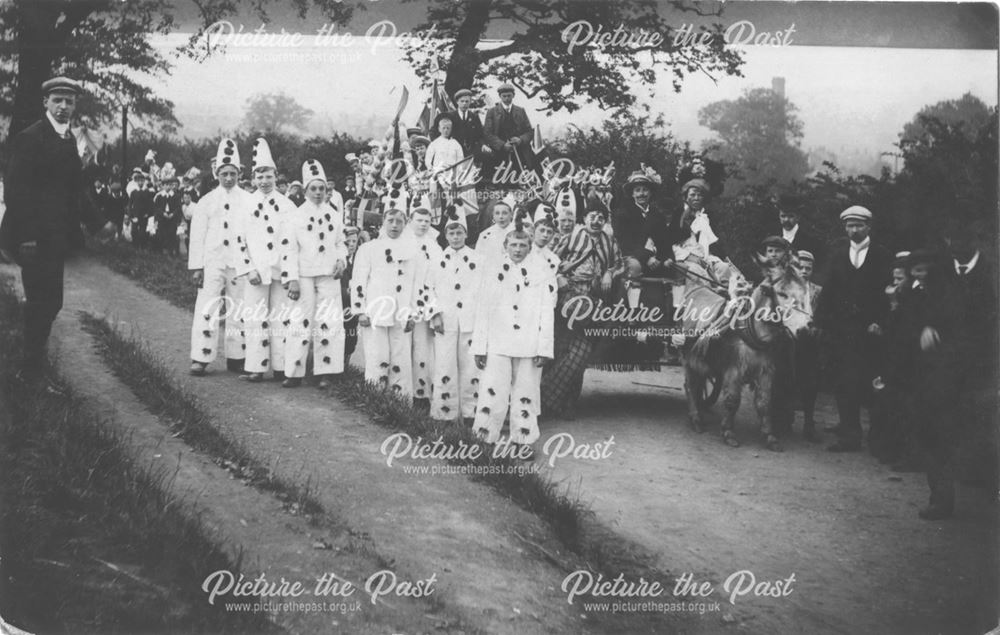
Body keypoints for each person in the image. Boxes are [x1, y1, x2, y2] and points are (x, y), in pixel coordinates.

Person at [0, 76, 115, 391]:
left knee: (50, 302)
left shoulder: (66, 139)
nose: (64, 107)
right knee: (42, 302)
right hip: (33, 240)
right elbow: (16, 193)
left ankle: (33, 365)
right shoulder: (31, 138)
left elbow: (75, 190)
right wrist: (25, 237)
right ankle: (31, 372)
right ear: (45, 103)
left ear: (75, 104)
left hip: (54, 239)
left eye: (69, 101)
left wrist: (99, 223)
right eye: (57, 100)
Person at [813, 205, 893, 452]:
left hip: (871, 331)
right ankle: (850, 435)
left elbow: (889, 293)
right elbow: (828, 290)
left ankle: (879, 438)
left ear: (868, 227)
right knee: (844, 382)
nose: (854, 230)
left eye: (858, 225)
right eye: (849, 225)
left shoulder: (881, 255)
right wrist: (820, 321)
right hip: (843, 330)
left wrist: (881, 321)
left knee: (873, 383)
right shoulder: (838, 254)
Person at [472, 220, 554, 458]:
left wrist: (544, 347)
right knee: (492, 390)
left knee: (526, 391)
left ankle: (523, 439)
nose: (517, 249)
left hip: (529, 343)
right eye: (513, 245)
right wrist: (480, 345)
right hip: (498, 342)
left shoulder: (541, 271)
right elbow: (483, 310)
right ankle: (485, 437)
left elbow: (546, 312)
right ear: (505, 246)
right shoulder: (492, 271)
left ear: (529, 247)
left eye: (522, 245)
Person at [187, 138, 254, 376]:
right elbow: (197, 236)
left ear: (240, 173)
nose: (228, 178)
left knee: (239, 308)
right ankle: (201, 356)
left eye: (232, 173)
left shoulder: (248, 200)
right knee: (207, 306)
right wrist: (197, 267)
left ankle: (237, 356)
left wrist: (251, 263)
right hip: (212, 262)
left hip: (239, 263)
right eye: (224, 173)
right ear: (216, 173)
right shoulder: (206, 201)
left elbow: (254, 233)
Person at [280, 160, 348, 389]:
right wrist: (292, 279)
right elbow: (288, 248)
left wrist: (341, 259)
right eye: (313, 189)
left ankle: (326, 371)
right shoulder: (295, 216)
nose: (318, 193)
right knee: (300, 321)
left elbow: (341, 242)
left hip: (329, 274)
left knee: (329, 320)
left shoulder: (335, 214)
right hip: (304, 275)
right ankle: (294, 371)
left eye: (322, 189)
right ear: (306, 190)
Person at [239, 138, 299, 383]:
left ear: (276, 177)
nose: (264, 182)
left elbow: (293, 242)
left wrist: (290, 274)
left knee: (281, 318)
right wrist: (248, 268)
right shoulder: (245, 203)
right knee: (254, 318)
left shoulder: (287, 205)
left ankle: (282, 366)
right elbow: (238, 240)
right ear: (253, 179)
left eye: (269, 177)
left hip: (280, 270)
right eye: (259, 177)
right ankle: (255, 366)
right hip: (256, 271)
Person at [351, 206, 426, 396]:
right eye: (390, 221)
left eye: (399, 221)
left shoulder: (413, 251)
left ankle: (400, 399)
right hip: (376, 309)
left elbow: (418, 284)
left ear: (405, 224)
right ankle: (375, 396)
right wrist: (360, 310)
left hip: (402, 311)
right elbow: (359, 279)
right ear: (383, 222)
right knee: (377, 354)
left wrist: (413, 313)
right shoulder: (368, 248)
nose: (394, 225)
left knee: (401, 357)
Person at [428, 208, 482, 422]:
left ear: (466, 234)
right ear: (446, 235)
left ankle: (471, 412)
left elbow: (485, 291)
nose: (456, 237)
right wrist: (435, 314)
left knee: (471, 368)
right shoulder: (437, 260)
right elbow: (427, 289)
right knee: (444, 364)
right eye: (451, 233)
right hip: (446, 321)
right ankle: (444, 413)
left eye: (459, 233)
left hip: (471, 322)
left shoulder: (479, 260)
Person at [406, 207, 443, 403]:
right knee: (401, 349)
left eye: (426, 221)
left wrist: (434, 310)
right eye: (419, 220)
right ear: (410, 220)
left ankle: (420, 394)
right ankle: (399, 393)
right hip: (403, 303)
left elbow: (437, 280)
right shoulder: (401, 243)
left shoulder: (434, 247)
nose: (423, 224)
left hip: (423, 303)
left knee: (422, 350)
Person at [482, 84, 533, 187]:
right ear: (500, 97)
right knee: (497, 181)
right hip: (498, 152)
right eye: (504, 96)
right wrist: (502, 145)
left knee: (520, 180)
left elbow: (529, 132)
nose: (506, 98)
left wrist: (520, 140)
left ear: (513, 95)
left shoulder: (521, 111)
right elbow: (487, 133)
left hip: (518, 151)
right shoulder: (492, 112)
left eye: (509, 96)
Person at [341, 225, 362, 369]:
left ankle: (346, 365)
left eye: (354, 241)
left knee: (351, 333)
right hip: (338, 301)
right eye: (348, 242)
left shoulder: (359, 260)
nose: (351, 245)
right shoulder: (339, 260)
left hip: (352, 303)